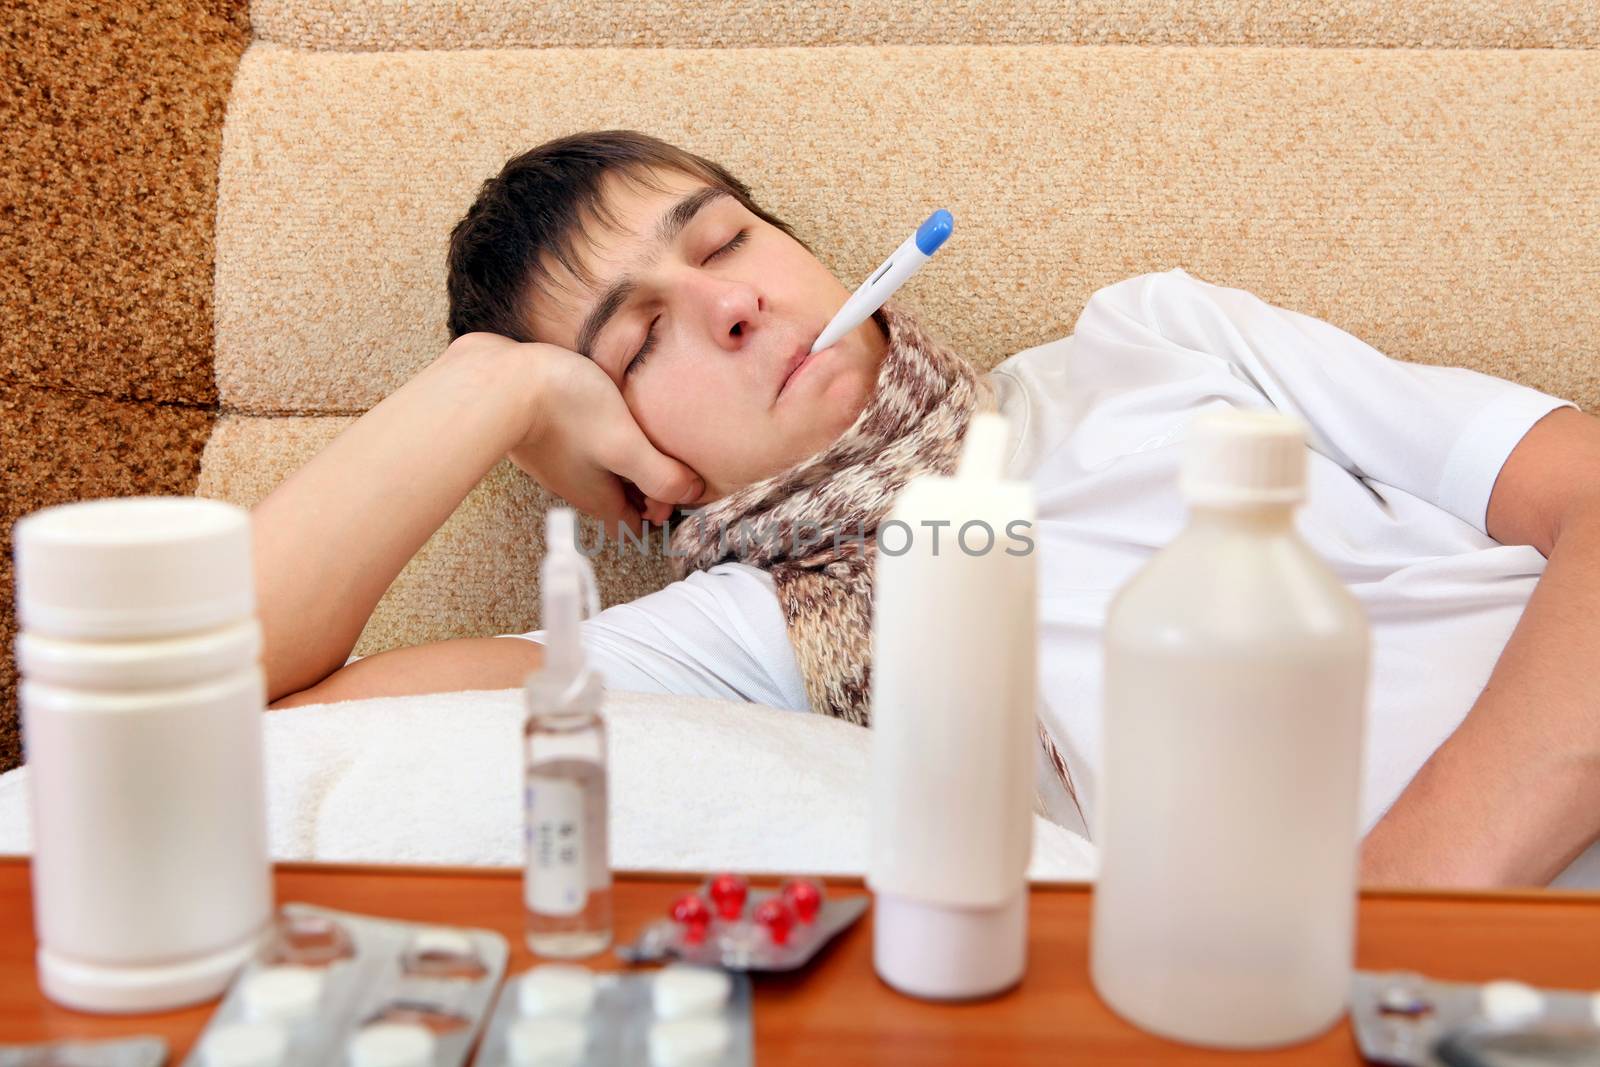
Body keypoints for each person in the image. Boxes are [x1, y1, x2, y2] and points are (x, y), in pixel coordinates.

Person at [255, 130, 1600, 888]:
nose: (733, 302)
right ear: (629, 465)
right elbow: (217, 704)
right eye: (633, 344)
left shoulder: (1152, 342)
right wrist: (482, 394)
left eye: (723, 240)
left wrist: (1420, 900)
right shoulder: (747, 642)